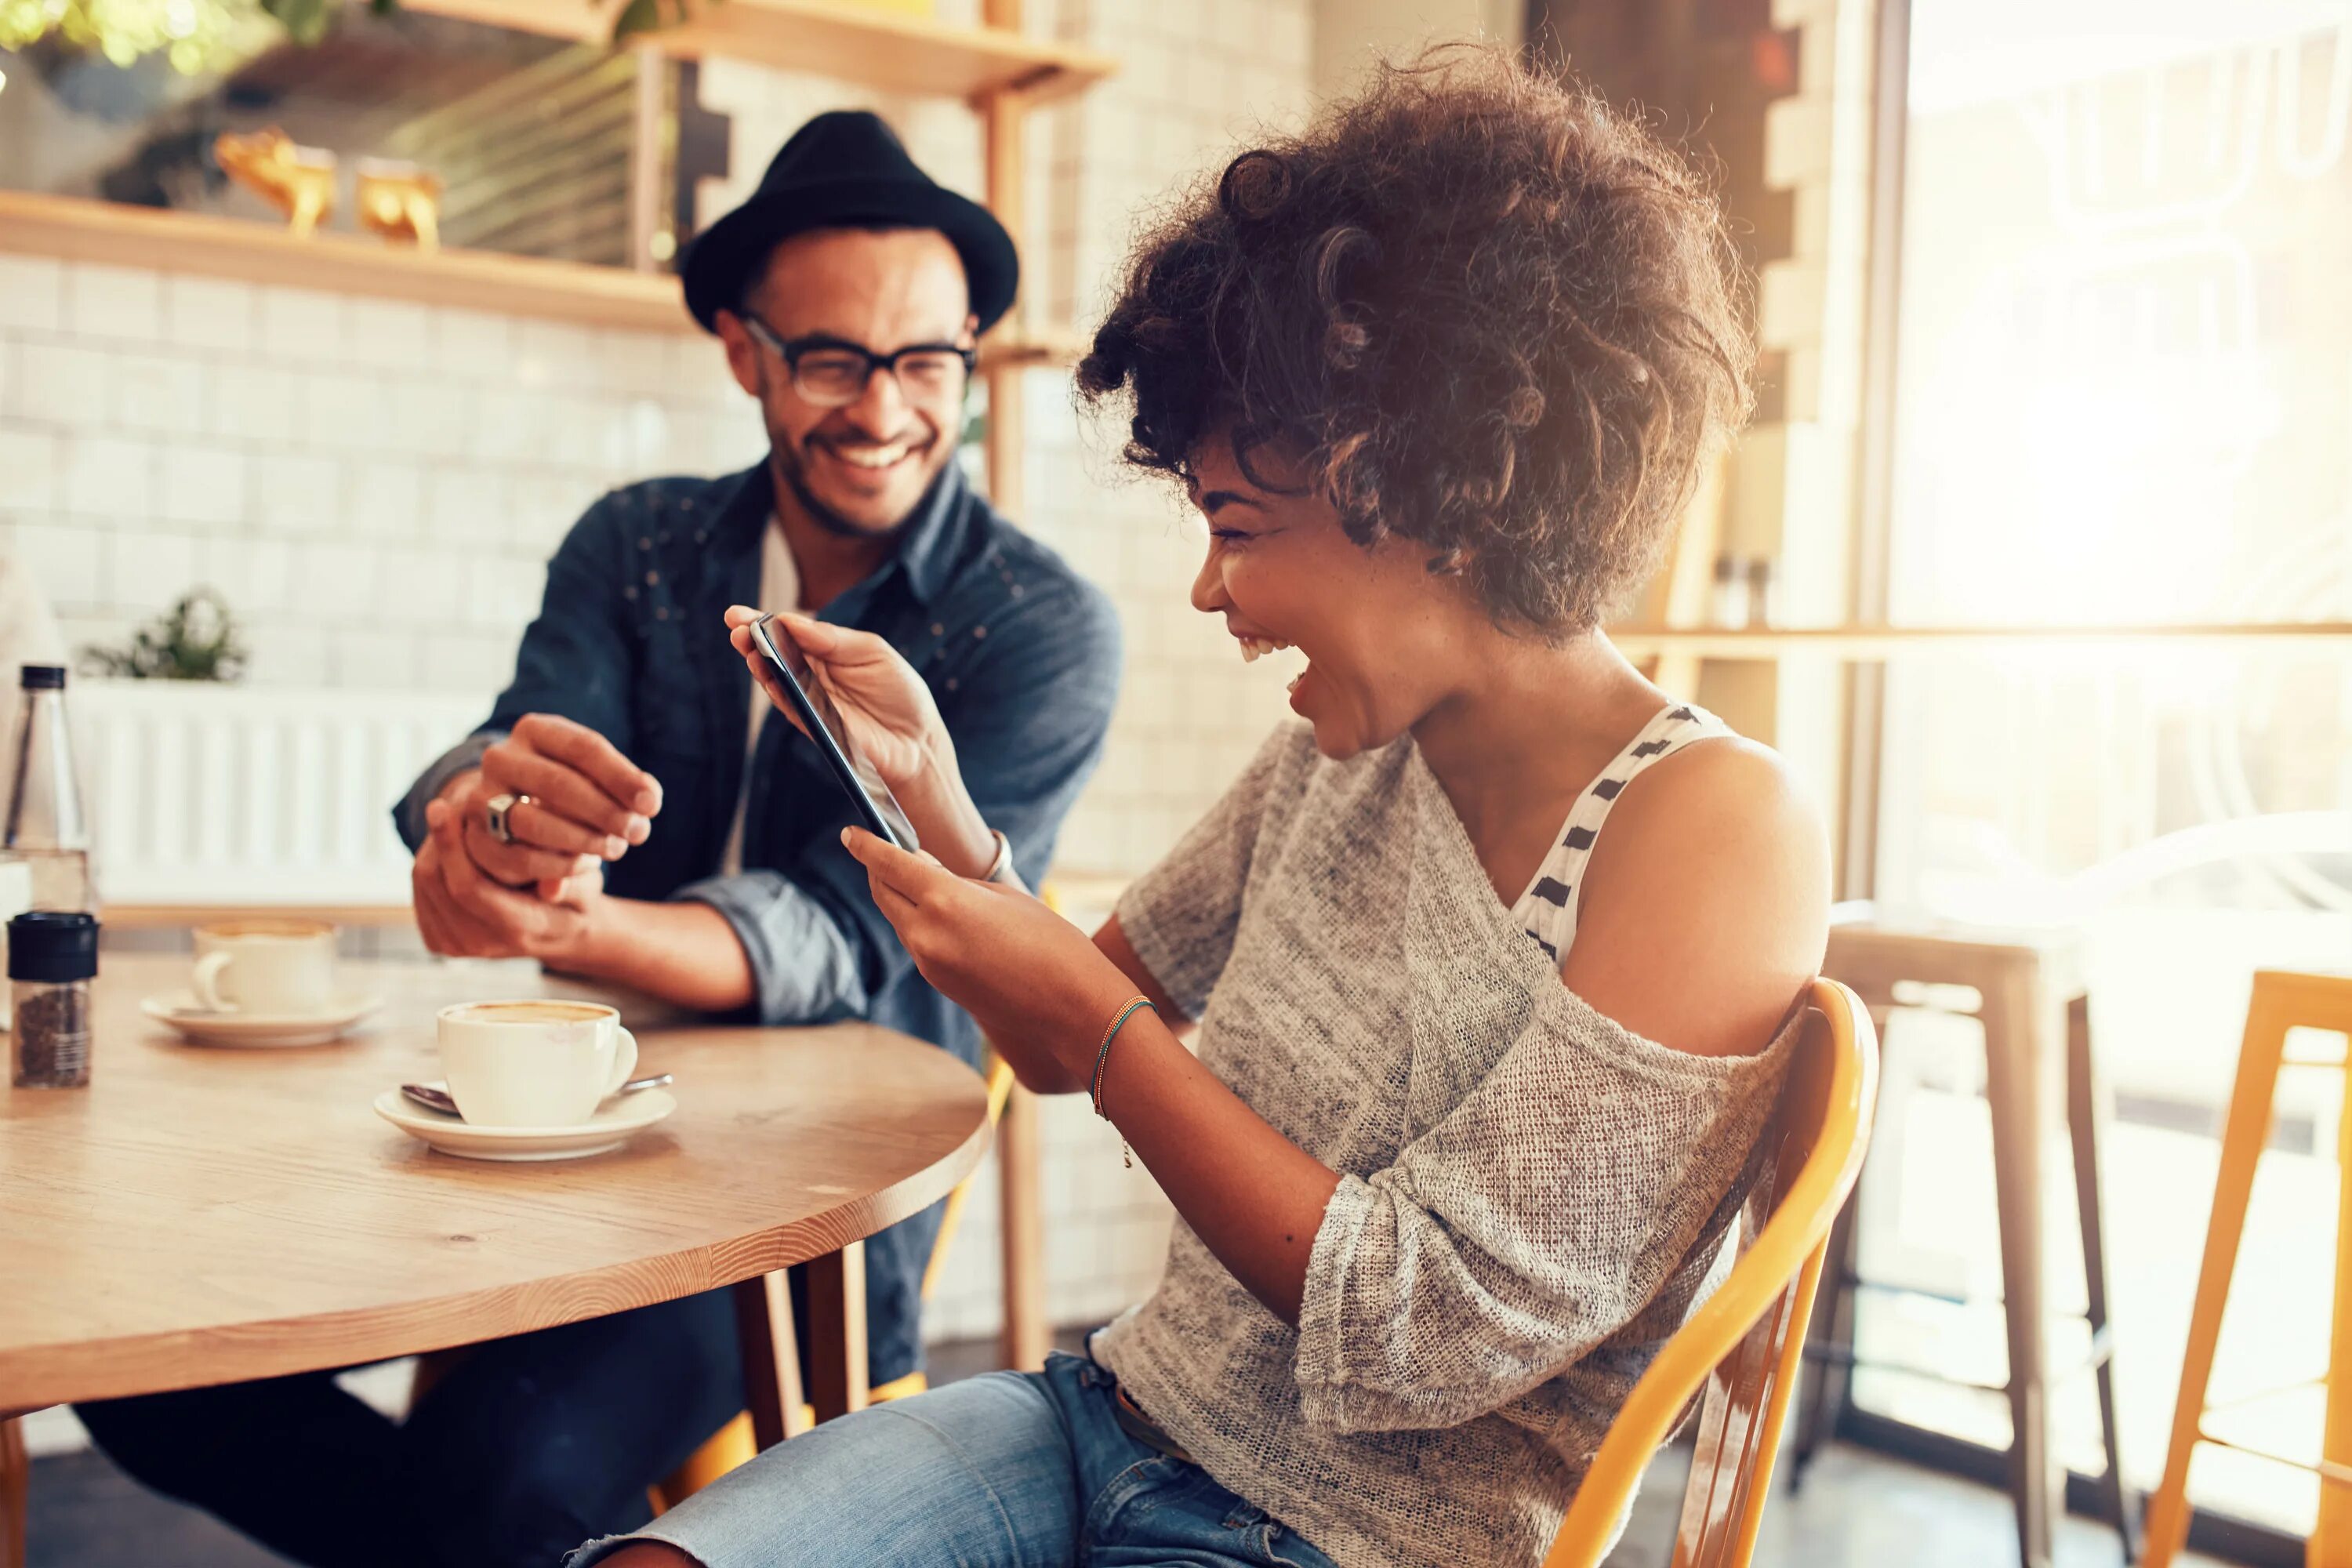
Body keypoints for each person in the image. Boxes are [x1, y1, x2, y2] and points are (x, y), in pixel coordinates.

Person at [576, 48, 1830, 1568]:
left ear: (1412, 488)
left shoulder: (1712, 827)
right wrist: (942, 804)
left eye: (1237, 526)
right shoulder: (1345, 747)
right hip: (1106, 1416)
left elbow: (1419, 1327)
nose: (1212, 590)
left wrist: (1114, 1044)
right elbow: (1057, 1030)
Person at [74, 110, 1121, 1568]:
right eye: (830, 359)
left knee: (497, 1483)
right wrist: (482, 830)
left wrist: (571, 928)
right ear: (745, 351)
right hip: (542, 1125)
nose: (885, 408)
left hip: (810, 1188)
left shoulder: (1040, 625)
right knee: (144, 1362)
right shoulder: (638, 543)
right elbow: (512, 749)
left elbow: (834, 933)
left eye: (928, 362)